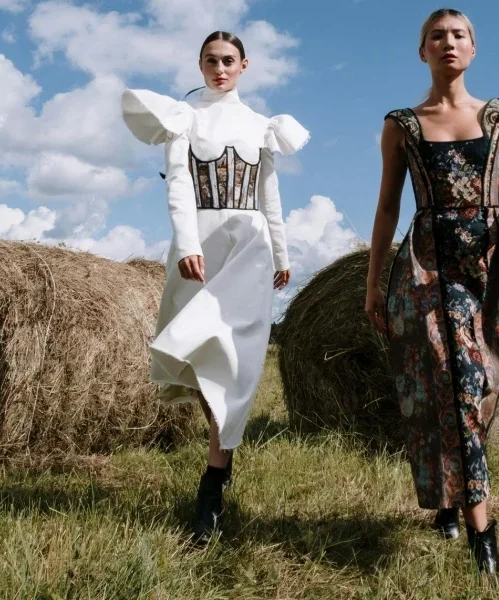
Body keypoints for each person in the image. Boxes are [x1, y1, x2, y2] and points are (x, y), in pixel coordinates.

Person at [364, 8, 499, 577]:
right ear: (421, 51)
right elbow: (388, 206)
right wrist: (373, 283)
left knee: (470, 388)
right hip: (428, 266)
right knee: (455, 381)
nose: (449, 43)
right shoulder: (402, 123)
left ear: (474, 49)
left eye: (459, 35)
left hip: (491, 265)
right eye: (437, 36)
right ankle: (483, 534)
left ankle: (447, 498)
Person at [121, 31, 309, 544]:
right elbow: (179, 185)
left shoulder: (262, 126)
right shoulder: (184, 117)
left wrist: (283, 251)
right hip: (200, 247)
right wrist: (185, 244)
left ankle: (212, 483)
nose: (219, 69)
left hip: (250, 249)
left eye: (228, 61)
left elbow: (270, 194)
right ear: (200, 64)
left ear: (244, 65)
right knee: (201, 349)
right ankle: (220, 462)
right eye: (211, 61)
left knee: (236, 359)